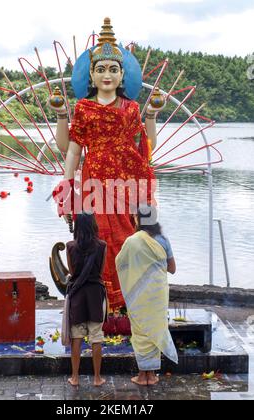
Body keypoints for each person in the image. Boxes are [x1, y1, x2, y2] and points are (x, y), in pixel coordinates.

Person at [52, 18, 161, 311]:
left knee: (129, 238)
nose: (107, 75)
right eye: (101, 69)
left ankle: (127, 303)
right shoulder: (84, 108)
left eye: (113, 69)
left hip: (126, 181)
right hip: (94, 182)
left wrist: (150, 117)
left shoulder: (131, 108)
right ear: (91, 74)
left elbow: (145, 149)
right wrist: (67, 191)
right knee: (94, 239)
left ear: (122, 74)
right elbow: (73, 152)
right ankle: (98, 304)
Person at [116, 205, 178, 386]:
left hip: (138, 294)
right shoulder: (163, 239)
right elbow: (172, 269)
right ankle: (151, 375)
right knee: (155, 329)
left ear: (138, 219)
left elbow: (120, 263)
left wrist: (141, 268)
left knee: (141, 330)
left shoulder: (132, 241)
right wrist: (154, 268)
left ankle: (142, 376)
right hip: (158, 293)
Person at [66, 212, 107, 387]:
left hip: (78, 295)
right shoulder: (102, 246)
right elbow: (101, 272)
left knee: (77, 337)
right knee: (96, 336)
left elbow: (72, 272)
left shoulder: (70, 246)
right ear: (93, 225)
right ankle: (97, 378)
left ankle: (75, 378)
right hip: (95, 294)